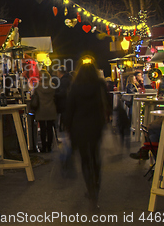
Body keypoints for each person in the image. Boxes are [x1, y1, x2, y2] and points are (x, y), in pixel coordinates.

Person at [64, 57, 108, 211]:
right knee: (95, 157)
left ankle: (90, 190)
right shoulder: (100, 85)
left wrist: (67, 127)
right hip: (96, 125)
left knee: (85, 159)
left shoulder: (75, 86)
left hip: (79, 127)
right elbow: (107, 103)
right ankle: (96, 188)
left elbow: (69, 108)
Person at [129, 86, 164, 159]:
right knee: (152, 137)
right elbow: (161, 118)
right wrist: (150, 125)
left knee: (151, 131)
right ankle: (159, 162)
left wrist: (150, 127)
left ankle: (149, 155)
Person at [33, 70, 57, 153]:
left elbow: (34, 96)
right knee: (50, 128)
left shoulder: (37, 86)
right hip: (51, 108)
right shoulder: (53, 86)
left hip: (41, 109)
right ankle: (49, 146)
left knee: (42, 128)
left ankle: (43, 147)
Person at [55, 65, 72, 132]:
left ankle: (63, 129)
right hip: (67, 102)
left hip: (63, 103)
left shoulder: (64, 80)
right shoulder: (69, 78)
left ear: (59, 72)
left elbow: (63, 93)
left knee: (63, 117)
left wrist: (55, 95)